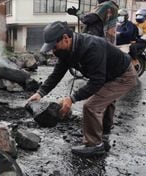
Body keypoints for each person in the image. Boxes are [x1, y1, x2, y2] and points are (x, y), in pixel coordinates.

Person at [28, 21, 137, 157]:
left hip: (123, 75)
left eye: (54, 46)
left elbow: (97, 81)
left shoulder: (91, 46)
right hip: (108, 74)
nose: (53, 51)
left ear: (66, 39)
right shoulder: (64, 51)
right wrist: (40, 93)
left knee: (91, 106)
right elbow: (57, 74)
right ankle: (104, 131)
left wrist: (72, 99)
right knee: (105, 99)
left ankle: (95, 145)